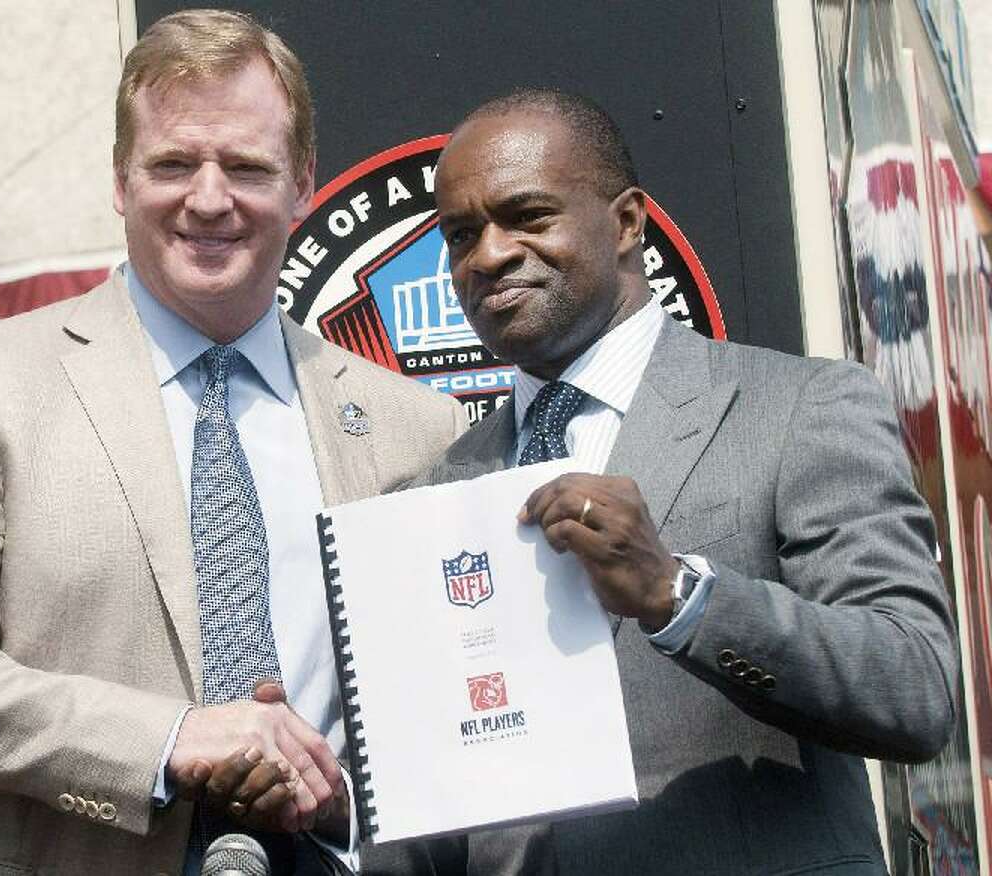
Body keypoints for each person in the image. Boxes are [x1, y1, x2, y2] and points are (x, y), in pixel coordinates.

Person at [0, 10, 466, 876]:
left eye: (247, 166)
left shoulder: (415, 428)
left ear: (303, 183)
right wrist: (169, 739)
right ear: (120, 179)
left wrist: (342, 800)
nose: (209, 198)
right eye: (174, 163)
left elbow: (449, 718)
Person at [408, 88, 959, 874]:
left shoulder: (799, 408)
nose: (488, 255)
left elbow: (911, 687)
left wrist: (680, 596)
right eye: (462, 235)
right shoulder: (436, 494)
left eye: (527, 216)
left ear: (628, 222)